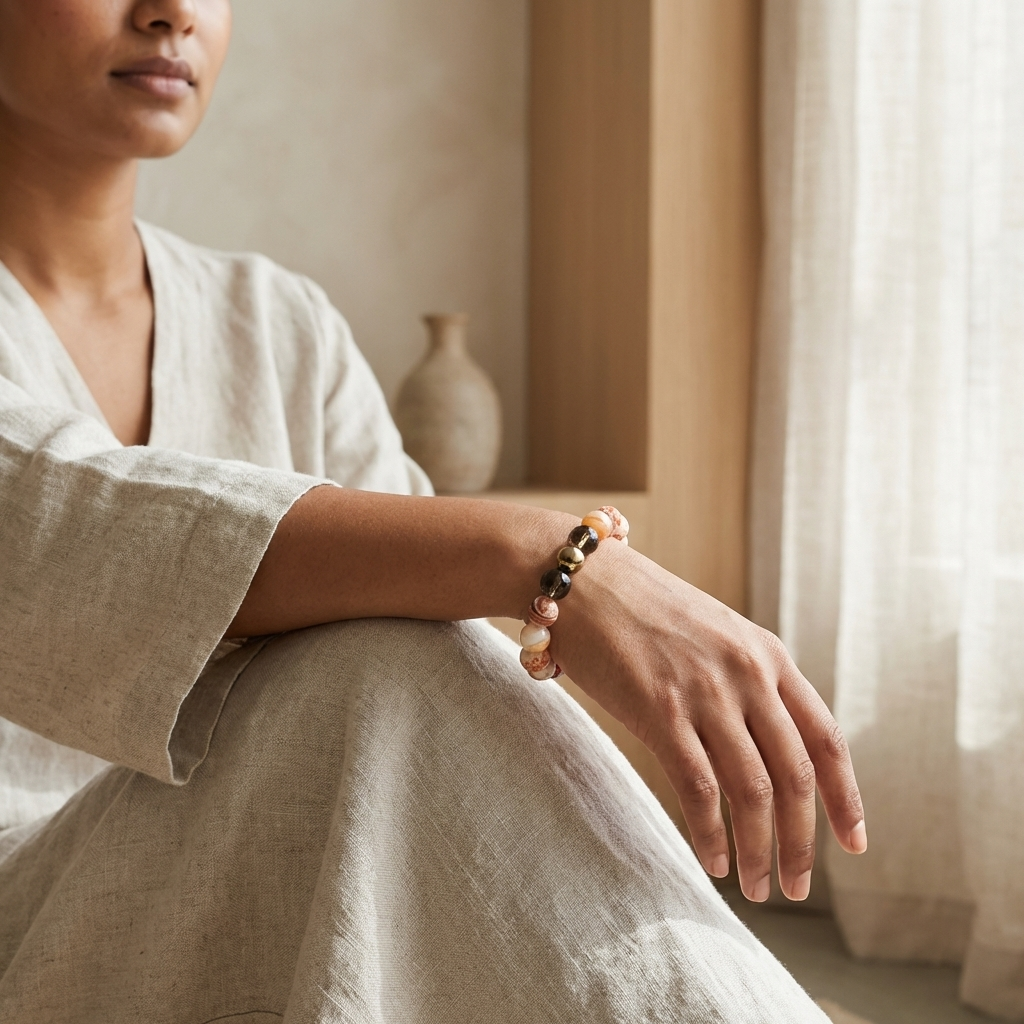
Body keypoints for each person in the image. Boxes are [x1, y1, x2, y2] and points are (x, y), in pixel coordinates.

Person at [0, 1, 866, 1020]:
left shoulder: (276, 322)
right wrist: (562, 560)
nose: (171, 12)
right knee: (369, 675)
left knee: (405, 667)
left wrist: (541, 568)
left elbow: (437, 637)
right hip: (28, 916)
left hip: (269, 890)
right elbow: (63, 521)